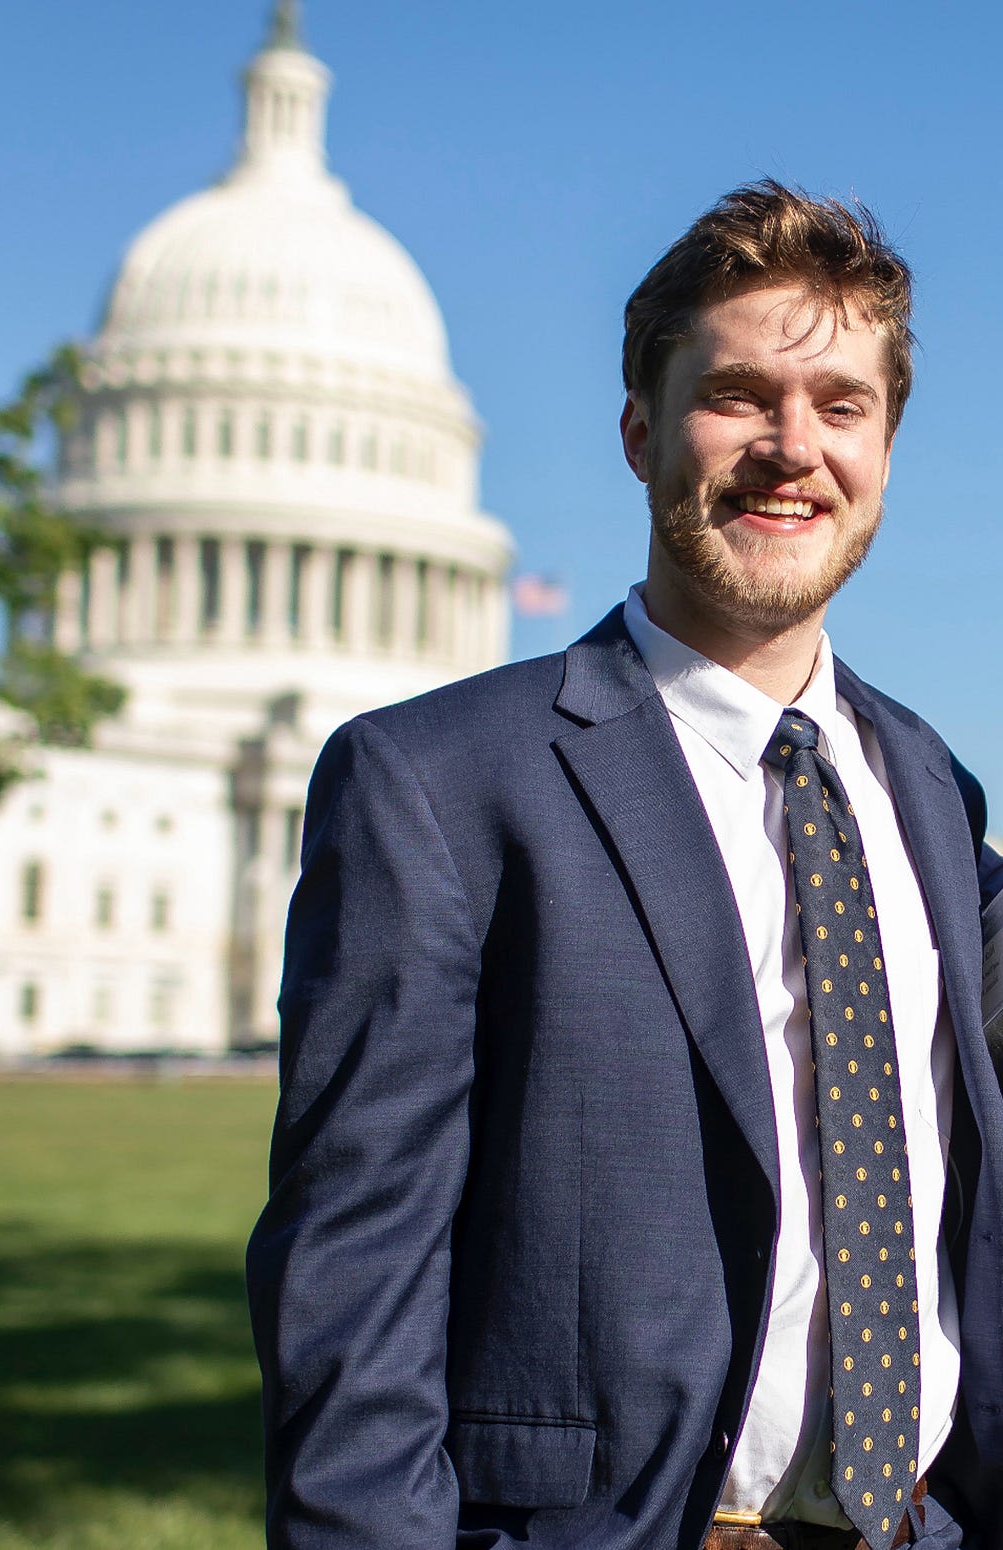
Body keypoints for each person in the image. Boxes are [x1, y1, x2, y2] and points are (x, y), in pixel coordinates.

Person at [246, 180, 1003, 1550]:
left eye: (841, 404)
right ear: (642, 430)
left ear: (888, 444)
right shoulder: (439, 781)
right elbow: (353, 1278)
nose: (792, 448)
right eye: (737, 396)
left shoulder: (933, 788)